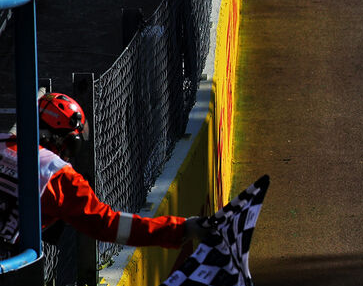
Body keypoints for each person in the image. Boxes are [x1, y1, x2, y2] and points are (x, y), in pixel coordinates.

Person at [0, 92, 209, 254]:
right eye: (72, 145)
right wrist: (180, 229)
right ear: (56, 138)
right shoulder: (58, 175)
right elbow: (109, 225)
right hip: (9, 274)